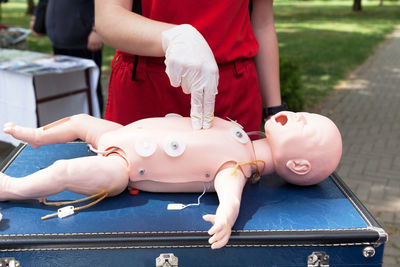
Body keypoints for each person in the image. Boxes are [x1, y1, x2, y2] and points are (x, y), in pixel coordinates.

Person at [1, 111, 342, 249]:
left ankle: (12, 188)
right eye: (304, 115)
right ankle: (36, 136)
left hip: (125, 166)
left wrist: (226, 217)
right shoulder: (239, 134)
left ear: (298, 165)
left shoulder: (237, 166)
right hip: (123, 133)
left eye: (304, 124)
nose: (296, 115)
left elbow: (230, 196)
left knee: (64, 170)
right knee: (80, 120)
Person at [94, 0, 285, 131]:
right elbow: (108, 18)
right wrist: (174, 37)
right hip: (148, 88)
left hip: (233, 91)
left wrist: (274, 112)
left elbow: (262, 24)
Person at [31, 0, 104, 114]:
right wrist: (38, 19)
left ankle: (94, 124)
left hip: (84, 43)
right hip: (59, 41)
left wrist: (98, 29)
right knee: (64, 88)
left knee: (89, 88)